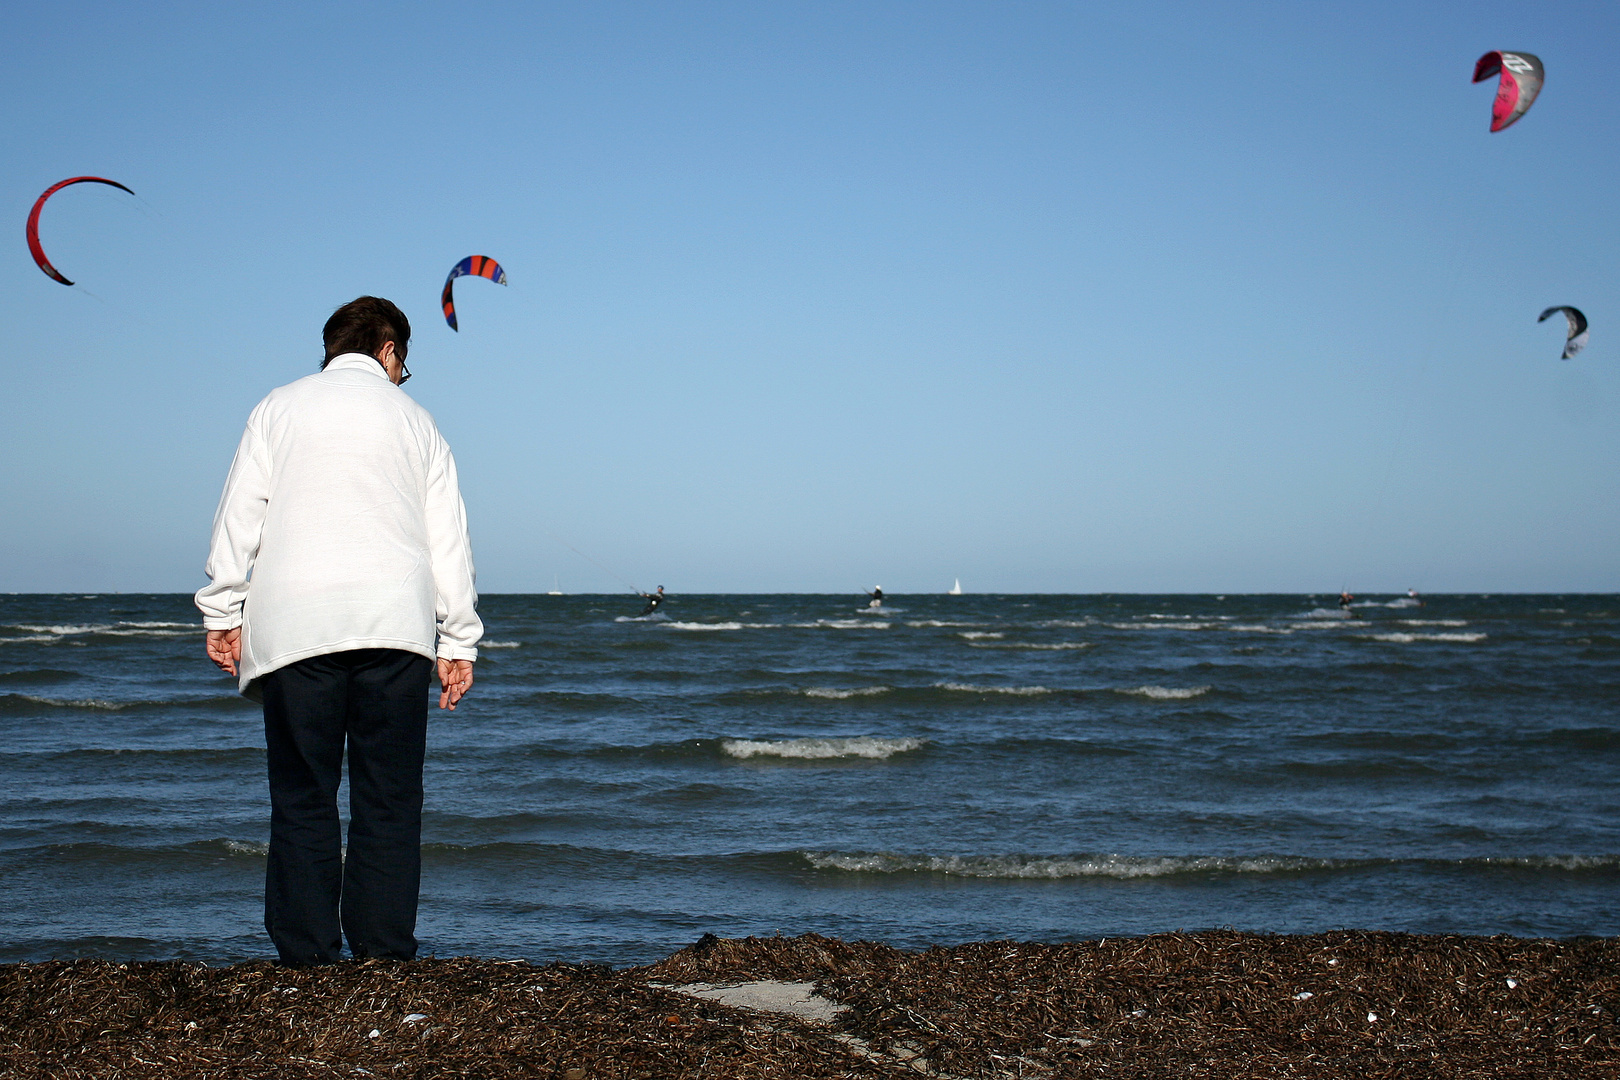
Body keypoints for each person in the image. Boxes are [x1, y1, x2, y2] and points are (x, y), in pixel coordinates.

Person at [195, 296, 482, 966]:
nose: (402, 374)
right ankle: (382, 954)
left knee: (302, 795)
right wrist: (458, 641)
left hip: (295, 626)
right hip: (395, 628)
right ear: (387, 349)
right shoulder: (417, 422)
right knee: (389, 800)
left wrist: (223, 610)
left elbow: (240, 512)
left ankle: (305, 958)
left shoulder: (279, 406)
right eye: (403, 362)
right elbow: (450, 543)